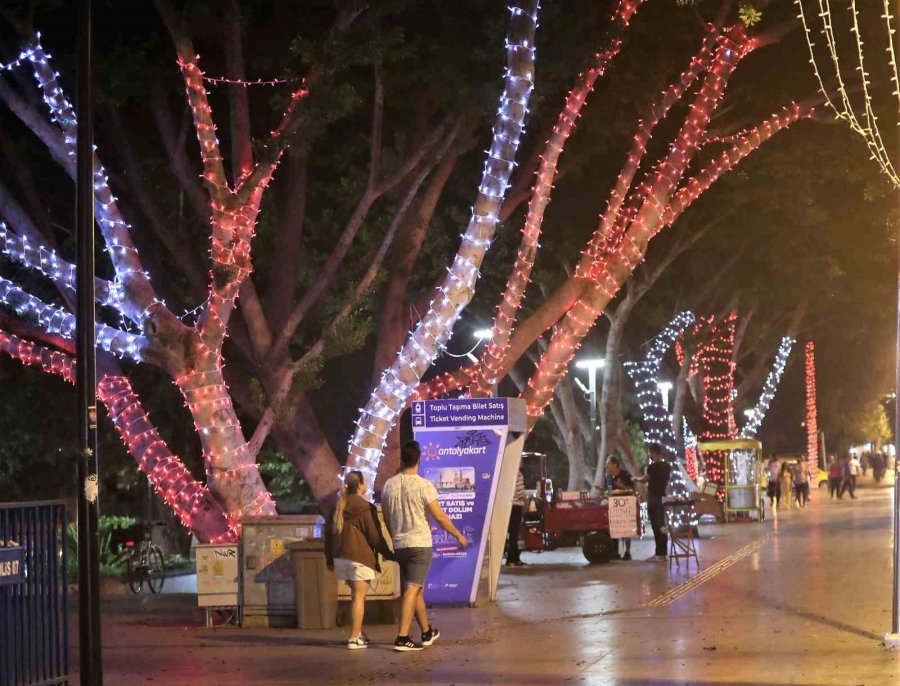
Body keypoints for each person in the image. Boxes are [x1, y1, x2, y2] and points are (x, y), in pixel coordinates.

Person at [381, 441, 468, 652]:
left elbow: (386, 516)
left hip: (400, 545)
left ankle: (426, 631)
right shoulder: (423, 485)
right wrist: (458, 535)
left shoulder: (389, 485)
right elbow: (439, 516)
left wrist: (395, 538)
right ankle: (402, 637)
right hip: (420, 544)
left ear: (402, 460)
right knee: (412, 589)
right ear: (419, 459)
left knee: (416, 588)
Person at [327, 470, 393, 650]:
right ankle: (354, 637)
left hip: (341, 558)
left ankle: (358, 633)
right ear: (361, 485)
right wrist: (388, 553)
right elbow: (374, 536)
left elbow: (328, 535)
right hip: (359, 558)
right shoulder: (365, 507)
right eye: (365, 482)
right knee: (358, 598)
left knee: (355, 597)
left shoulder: (338, 505)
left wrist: (329, 560)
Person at [598, 456, 636, 561]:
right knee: (613, 528)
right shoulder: (608, 477)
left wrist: (621, 485)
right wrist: (603, 490)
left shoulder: (625, 474)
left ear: (615, 464)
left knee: (626, 529)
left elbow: (632, 489)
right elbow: (608, 491)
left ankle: (628, 552)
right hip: (612, 506)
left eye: (608, 463)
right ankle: (615, 552)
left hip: (625, 505)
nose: (607, 466)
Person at [637, 444, 670, 562]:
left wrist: (636, 479)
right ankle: (664, 553)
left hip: (653, 499)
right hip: (662, 499)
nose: (649, 455)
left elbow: (645, 479)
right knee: (662, 526)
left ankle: (658, 554)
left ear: (654, 453)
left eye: (650, 453)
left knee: (656, 527)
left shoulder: (651, 467)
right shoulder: (667, 466)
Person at [505, 469, 526, 566]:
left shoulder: (507, 472)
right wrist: (524, 499)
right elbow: (520, 492)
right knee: (515, 533)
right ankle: (511, 559)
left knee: (511, 532)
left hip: (508, 505)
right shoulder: (518, 474)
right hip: (517, 505)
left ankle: (514, 558)